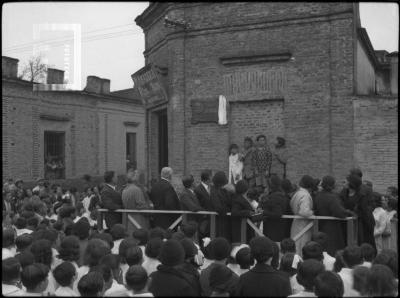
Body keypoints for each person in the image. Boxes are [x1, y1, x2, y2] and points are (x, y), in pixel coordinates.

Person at [314, 176, 352, 255]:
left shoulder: (318, 196)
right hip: (332, 227)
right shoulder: (332, 197)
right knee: (332, 249)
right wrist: (348, 212)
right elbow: (339, 212)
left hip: (320, 225)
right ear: (332, 185)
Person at [340, 171, 376, 249]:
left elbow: (367, 208)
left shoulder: (362, 194)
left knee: (364, 243)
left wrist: (356, 214)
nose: (343, 183)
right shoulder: (343, 192)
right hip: (348, 223)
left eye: (345, 181)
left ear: (351, 183)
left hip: (363, 223)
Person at [261, 174, 292, 242]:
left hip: (274, 230)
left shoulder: (276, 196)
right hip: (274, 229)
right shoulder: (277, 195)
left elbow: (277, 213)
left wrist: (263, 212)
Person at [290, 175, 315, 257]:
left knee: (296, 245)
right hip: (303, 224)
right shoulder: (305, 195)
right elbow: (304, 211)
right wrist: (312, 213)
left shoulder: (298, 193)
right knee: (301, 246)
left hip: (297, 222)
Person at [210, 171, 232, 241]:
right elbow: (218, 207)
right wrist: (228, 210)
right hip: (219, 221)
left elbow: (230, 202)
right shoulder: (214, 191)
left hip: (226, 220)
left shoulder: (224, 190)